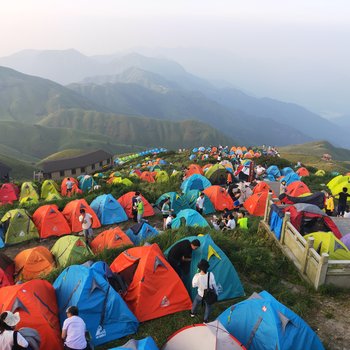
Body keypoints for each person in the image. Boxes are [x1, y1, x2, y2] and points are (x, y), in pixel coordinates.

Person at [190, 259, 218, 323]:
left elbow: (193, 285)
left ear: (199, 268)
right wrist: (216, 292)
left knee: (196, 302)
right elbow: (214, 284)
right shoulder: (211, 274)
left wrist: (196, 276)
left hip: (200, 294)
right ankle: (205, 320)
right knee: (208, 307)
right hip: (209, 295)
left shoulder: (197, 276)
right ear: (207, 267)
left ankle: (192, 313)